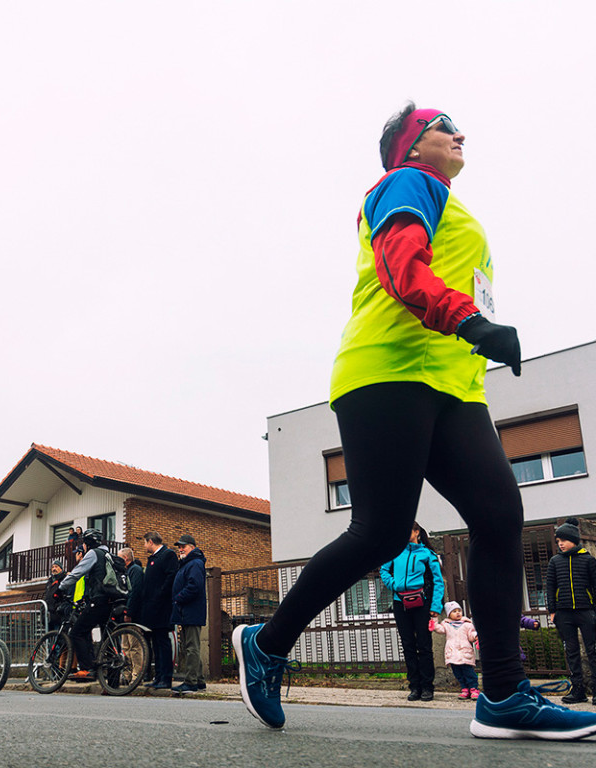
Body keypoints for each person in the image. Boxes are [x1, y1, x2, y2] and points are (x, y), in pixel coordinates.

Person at [232, 103, 596, 740]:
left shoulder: (447, 200)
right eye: (443, 124)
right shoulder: (408, 182)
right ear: (410, 145)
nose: (460, 133)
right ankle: (266, 643)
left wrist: (471, 335)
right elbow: (401, 269)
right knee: (380, 531)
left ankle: (504, 695)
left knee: (499, 518)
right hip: (389, 372)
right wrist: (471, 321)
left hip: (453, 386)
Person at [380, 522, 444, 702]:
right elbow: (383, 570)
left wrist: (435, 607)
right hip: (400, 602)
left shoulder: (427, 554)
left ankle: (427, 687)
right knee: (408, 645)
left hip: (422, 603)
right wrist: (394, 585)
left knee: (424, 646)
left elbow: (438, 581)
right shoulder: (395, 552)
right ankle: (414, 687)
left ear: (417, 532)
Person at [545, 518, 596, 704]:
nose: (560, 544)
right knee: (572, 653)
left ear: (574, 539)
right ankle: (578, 691)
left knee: (593, 650)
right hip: (564, 613)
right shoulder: (555, 561)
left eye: (564, 540)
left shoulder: (588, 560)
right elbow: (550, 587)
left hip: (586, 611)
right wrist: (552, 611)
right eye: (558, 541)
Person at [58, 528, 113, 682]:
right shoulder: (109, 555)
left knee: (77, 632)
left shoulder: (93, 553)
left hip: (99, 600)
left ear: (87, 543)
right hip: (112, 600)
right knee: (107, 637)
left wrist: (61, 587)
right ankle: (112, 680)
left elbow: (77, 572)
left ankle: (87, 669)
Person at [140, 531, 179, 690]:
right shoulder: (153, 559)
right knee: (155, 643)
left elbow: (170, 578)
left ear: (150, 542)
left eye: (145, 543)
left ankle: (166, 677)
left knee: (163, 642)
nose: (144, 546)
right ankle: (158, 677)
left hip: (162, 607)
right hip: (151, 608)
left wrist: (159, 595)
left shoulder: (168, 555)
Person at [170, 534, 207, 693]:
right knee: (191, 647)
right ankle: (199, 681)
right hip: (187, 612)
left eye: (183, 546)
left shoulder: (195, 563)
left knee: (191, 647)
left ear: (192, 547)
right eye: (179, 547)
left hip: (191, 611)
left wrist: (178, 598)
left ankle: (191, 682)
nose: (180, 549)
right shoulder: (188, 564)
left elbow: (194, 586)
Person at [434, 601, 479, 699]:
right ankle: (464, 689)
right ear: (449, 614)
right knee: (458, 673)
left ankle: (473, 689)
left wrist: (476, 637)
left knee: (469, 672)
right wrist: (434, 619)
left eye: (459, 610)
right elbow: (438, 629)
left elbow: (471, 634)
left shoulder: (467, 624)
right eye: (454, 611)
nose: (458, 613)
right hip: (452, 653)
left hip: (465, 652)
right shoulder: (446, 625)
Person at [119, 547, 144, 623]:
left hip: (135, 614)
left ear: (125, 558)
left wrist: (129, 612)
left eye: (119, 557)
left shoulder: (135, 570)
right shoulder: (128, 570)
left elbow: (135, 592)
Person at [43, 560, 70, 630]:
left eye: (56, 566)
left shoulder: (65, 579)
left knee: (58, 633)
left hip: (59, 614)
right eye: (52, 567)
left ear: (61, 568)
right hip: (50, 614)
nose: (54, 569)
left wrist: (59, 607)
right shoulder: (49, 582)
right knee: (50, 634)